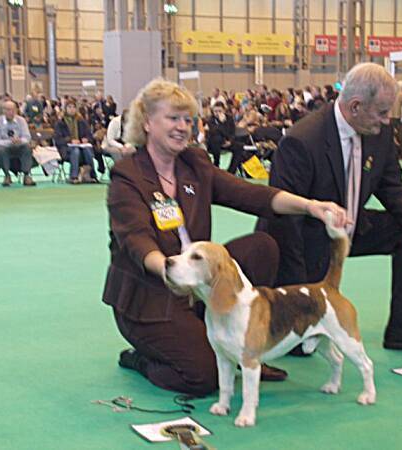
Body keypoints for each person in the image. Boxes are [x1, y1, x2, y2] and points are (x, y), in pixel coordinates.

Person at [102, 78, 348, 396]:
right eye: (173, 118)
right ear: (147, 122)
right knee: (203, 377)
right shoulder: (128, 176)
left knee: (262, 246)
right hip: (150, 295)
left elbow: (253, 195)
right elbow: (136, 240)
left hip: (198, 284)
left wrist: (311, 205)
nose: (183, 127)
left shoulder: (195, 164)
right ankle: (142, 360)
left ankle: (247, 344)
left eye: (188, 120)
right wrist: (168, 270)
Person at [258, 63, 402, 355]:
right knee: (301, 347)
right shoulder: (301, 141)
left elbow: (393, 185)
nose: (388, 120)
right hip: (305, 239)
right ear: (355, 106)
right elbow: (285, 225)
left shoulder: (378, 131)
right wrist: (303, 304)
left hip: (348, 227)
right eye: (382, 112)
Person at [0, 101, 36, 187]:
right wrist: (10, 142)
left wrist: (20, 141)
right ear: (3, 111)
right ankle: (7, 175)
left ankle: (26, 175)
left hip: (19, 146)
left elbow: (27, 137)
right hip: (3, 147)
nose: (10, 112)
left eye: (13, 110)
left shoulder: (21, 120)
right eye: (8, 110)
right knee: (1, 150)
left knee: (27, 147)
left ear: (16, 110)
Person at [54, 101, 96, 184]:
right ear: (65, 109)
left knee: (87, 150)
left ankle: (91, 175)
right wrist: (70, 140)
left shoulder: (82, 121)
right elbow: (58, 140)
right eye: (69, 107)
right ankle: (74, 176)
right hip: (66, 148)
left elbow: (90, 136)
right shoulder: (60, 123)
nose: (72, 109)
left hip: (82, 146)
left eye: (73, 107)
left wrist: (86, 139)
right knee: (75, 151)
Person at [206, 101, 244, 174]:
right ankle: (216, 165)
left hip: (227, 141)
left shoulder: (229, 118)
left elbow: (232, 133)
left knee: (239, 146)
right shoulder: (211, 120)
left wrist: (230, 141)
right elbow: (215, 132)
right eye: (215, 111)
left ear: (224, 110)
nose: (217, 113)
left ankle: (231, 171)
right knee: (216, 139)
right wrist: (222, 122)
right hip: (214, 143)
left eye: (220, 111)